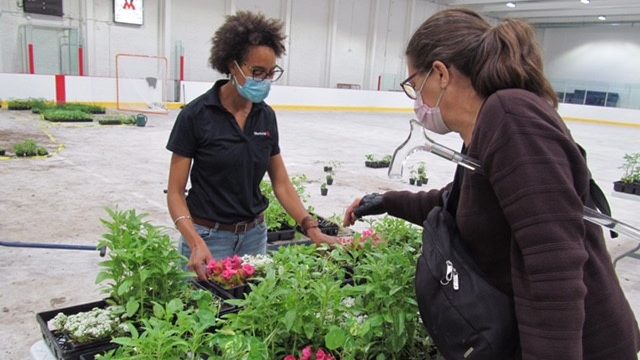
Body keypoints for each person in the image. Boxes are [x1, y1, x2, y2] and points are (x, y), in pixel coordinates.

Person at [343, 8, 640, 360]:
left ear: (440, 74)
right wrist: (384, 202)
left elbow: (554, 261)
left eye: (414, 85)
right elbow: (454, 202)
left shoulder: (511, 118)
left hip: (582, 346)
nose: (417, 102)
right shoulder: (484, 129)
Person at [167, 11, 336, 281]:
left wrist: (310, 226)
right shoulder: (196, 115)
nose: (264, 80)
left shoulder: (265, 116)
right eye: (257, 72)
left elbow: (281, 182)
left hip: (254, 237)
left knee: (248, 315)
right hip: (208, 239)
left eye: (270, 73)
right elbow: (175, 193)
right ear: (233, 66)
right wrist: (195, 241)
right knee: (203, 316)